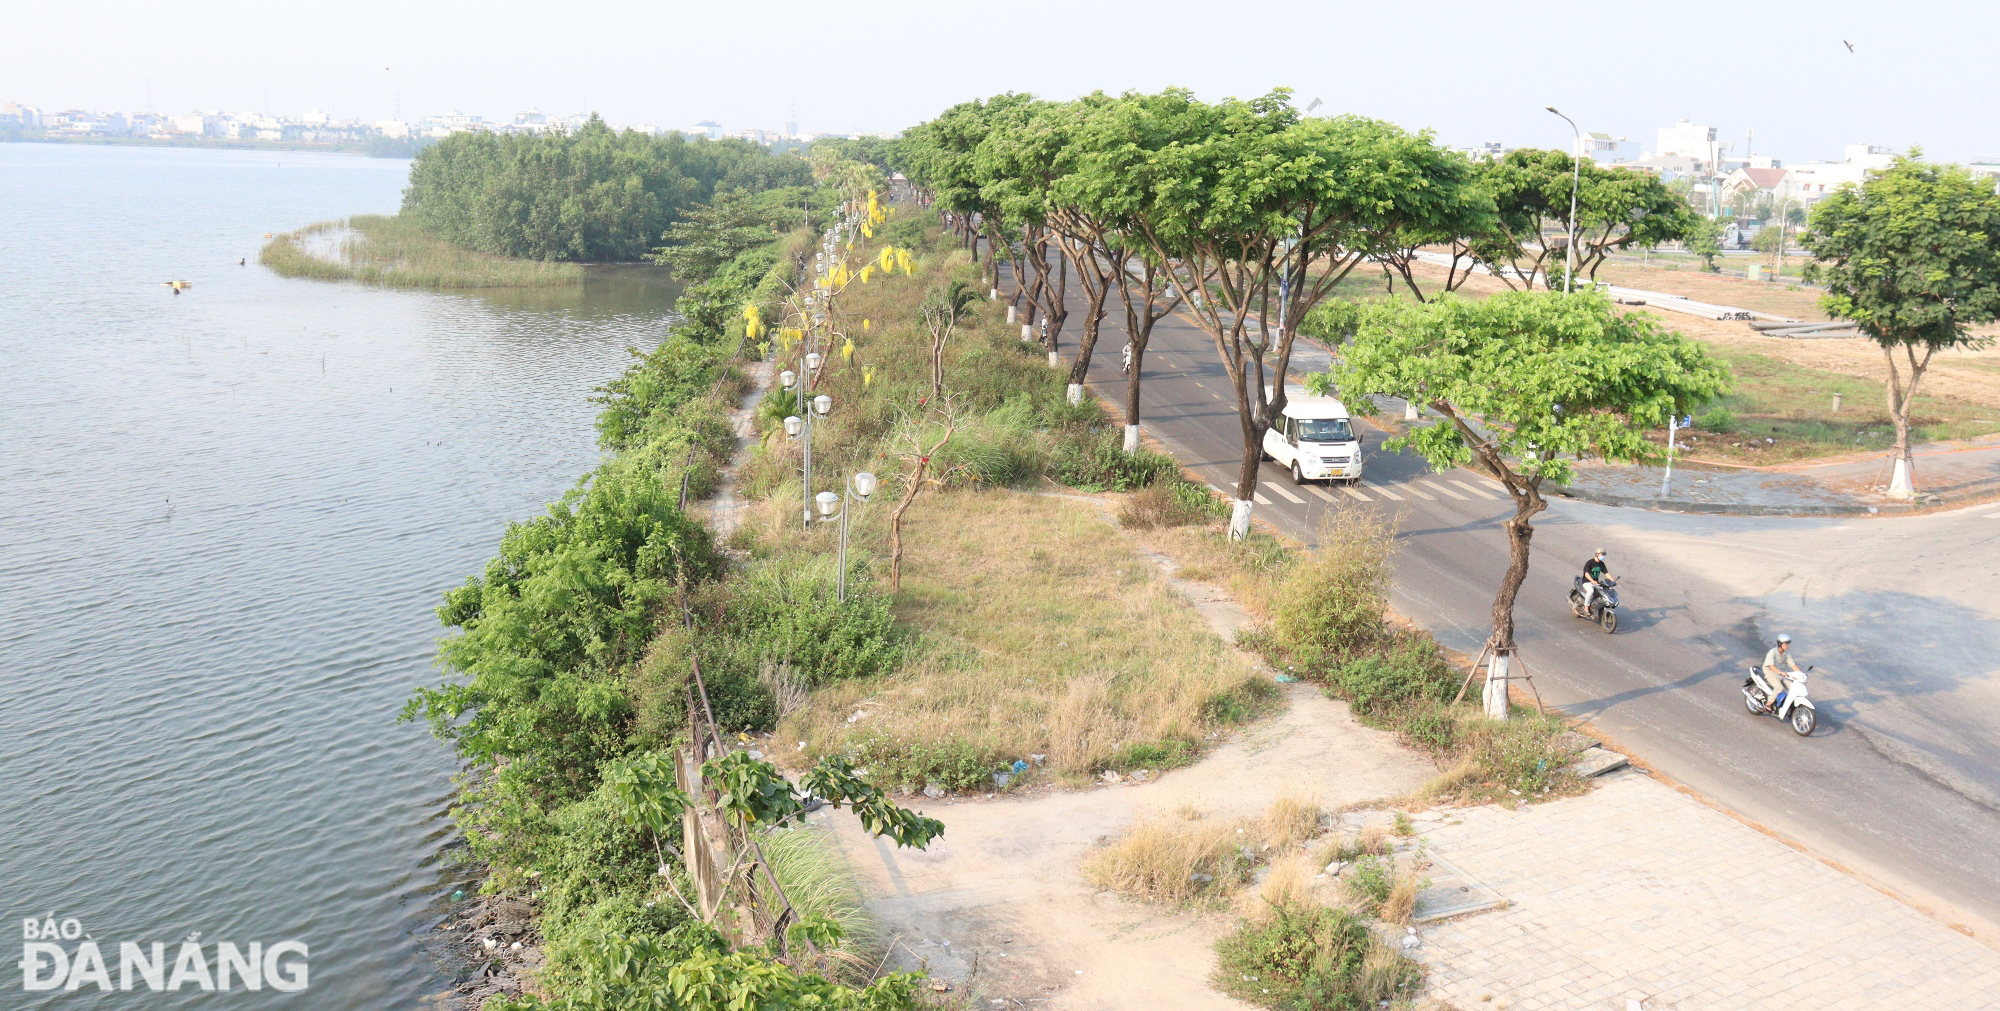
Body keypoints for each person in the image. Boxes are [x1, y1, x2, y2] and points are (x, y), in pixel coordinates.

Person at [1756, 634, 1804, 713]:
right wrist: (1780, 672)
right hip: (1770, 673)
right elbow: (1771, 666)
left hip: (1780, 674)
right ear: (1780, 644)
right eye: (1786, 644)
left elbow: (1793, 665)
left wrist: (1801, 674)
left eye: (1788, 644)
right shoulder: (1772, 652)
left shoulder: (1786, 655)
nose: (1787, 646)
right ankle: (1769, 703)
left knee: (1793, 686)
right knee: (1779, 687)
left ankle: (1786, 704)